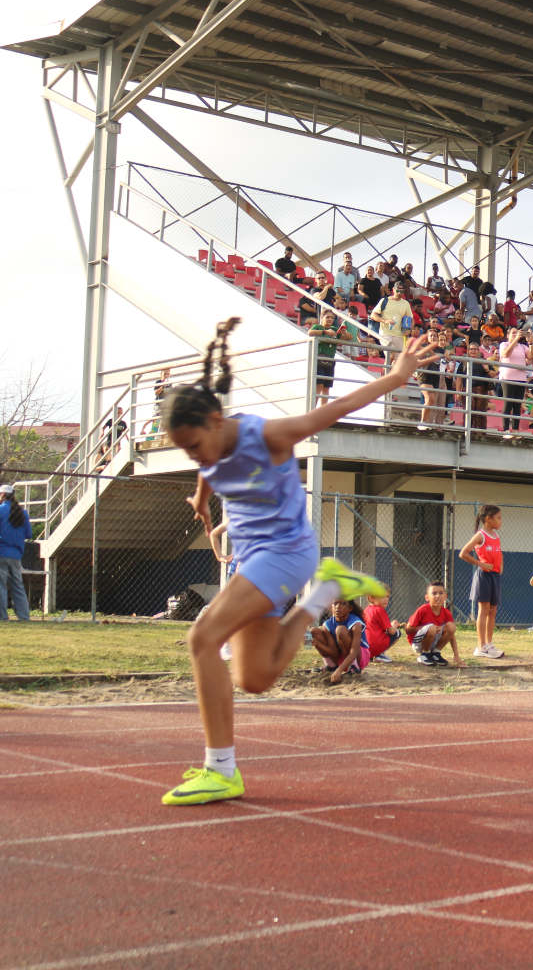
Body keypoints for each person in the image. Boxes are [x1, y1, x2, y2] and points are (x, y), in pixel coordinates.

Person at [159, 317, 413, 806]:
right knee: (254, 678)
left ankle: (220, 770)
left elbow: (338, 408)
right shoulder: (207, 450)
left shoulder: (270, 436)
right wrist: (199, 496)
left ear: (216, 422)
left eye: (192, 447)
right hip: (253, 560)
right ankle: (326, 591)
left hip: (286, 553)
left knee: (202, 637)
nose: (194, 458)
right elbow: (211, 468)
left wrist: (396, 377)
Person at [459, 504, 506, 659]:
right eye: (498, 518)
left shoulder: (496, 535)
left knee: (493, 611)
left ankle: (489, 644)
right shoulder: (480, 535)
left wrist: (501, 567)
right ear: (488, 519)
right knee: (484, 610)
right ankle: (481, 646)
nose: (500, 521)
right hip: (484, 576)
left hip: (495, 576)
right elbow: (463, 553)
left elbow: (499, 553)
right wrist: (480, 564)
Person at [308, 598, 369, 684]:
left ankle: (354, 667)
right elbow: (333, 652)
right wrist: (317, 644)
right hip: (341, 656)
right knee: (314, 631)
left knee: (340, 630)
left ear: (350, 608)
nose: (338, 607)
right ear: (331, 606)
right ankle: (331, 666)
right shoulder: (328, 624)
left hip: (359, 656)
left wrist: (339, 670)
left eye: (343, 604)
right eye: (335, 603)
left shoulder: (356, 623)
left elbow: (354, 651)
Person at [406, 580, 462, 667]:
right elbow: (408, 629)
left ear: (445, 596)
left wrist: (456, 655)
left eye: (441, 593)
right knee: (431, 628)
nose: (438, 596)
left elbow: (452, 635)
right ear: (427, 597)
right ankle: (425, 655)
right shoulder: (423, 610)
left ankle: (436, 653)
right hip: (418, 643)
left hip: (433, 641)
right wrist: (427, 628)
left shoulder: (446, 613)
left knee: (452, 626)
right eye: (434, 593)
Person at [0, 483, 32, 622]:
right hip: (16, 554)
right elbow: (28, 534)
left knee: (1, 585)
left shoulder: (0, 510)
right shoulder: (22, 512)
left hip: (1, 552)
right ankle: (24, 616)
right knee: (18, 585)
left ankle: (2, 616)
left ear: (2, 495)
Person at [308, 309, 351, 404]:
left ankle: (323, 411)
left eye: (332, 318)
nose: (330, 319)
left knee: (326, 387)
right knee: (319, 385)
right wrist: (326, 332)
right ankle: (313, 409)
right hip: (319, 359)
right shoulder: (318, 327)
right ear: (322, 317)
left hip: (330, 360)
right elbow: (310, 332)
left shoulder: (335, 329)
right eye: (327, 317)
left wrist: (344, 332)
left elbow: (349, 338)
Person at [362, 591, 402, 663]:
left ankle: (372, 655)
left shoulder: (366, 610)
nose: (386, 599)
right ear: (371, 598)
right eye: (382, 596)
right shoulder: (380, 610)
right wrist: (394, 626)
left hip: (365, 647)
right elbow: (391, 631)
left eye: (387, 597)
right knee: (397, 633)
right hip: (375, 646)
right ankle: (379, 654)